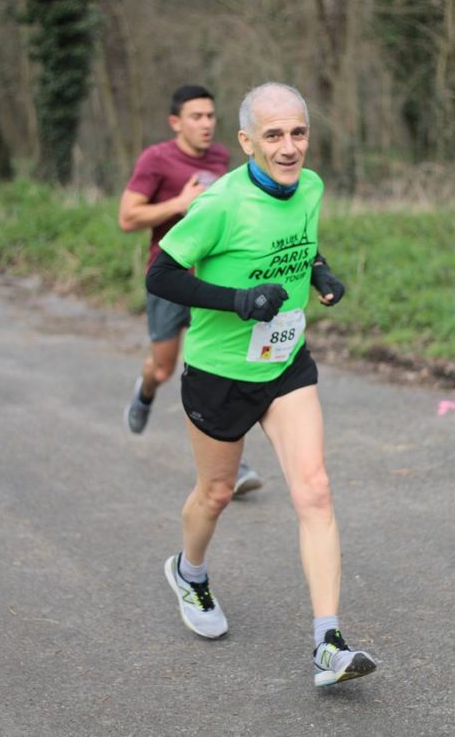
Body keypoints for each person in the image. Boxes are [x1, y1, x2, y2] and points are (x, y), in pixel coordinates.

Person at [147, 82, 377, 687]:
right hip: (220, 372)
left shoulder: (312, 186)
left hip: (284, 362)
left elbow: (298, 239)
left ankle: (328, 641)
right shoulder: (220, 203)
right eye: (273, 135)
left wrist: (319, 270)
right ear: (246, 141)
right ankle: (188, 572)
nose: (288, 146)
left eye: (297, 132)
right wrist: (238, 300)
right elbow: (162, 275)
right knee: (217, 494)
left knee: (316, 489)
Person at [119, 85, 262, 495]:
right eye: (196, 117)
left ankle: (233, 464)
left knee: (219, 368)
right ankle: (144, 391)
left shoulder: (220, 157)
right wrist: (178, 205)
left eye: (211, 116)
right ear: (175, 122)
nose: (206, 124)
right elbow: (128, 218)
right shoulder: (156, 159)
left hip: (213, 282)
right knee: (163, 368)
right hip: (168, 279)